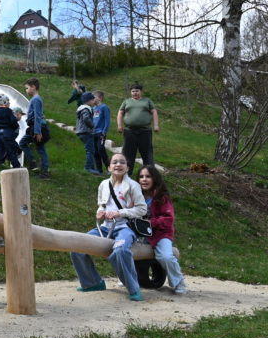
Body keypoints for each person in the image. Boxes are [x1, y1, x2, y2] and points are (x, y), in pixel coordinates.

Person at [69, 153, 147, 301]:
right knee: (76, 247)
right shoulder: (104, 184)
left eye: (122, 162)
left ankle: (133, 288)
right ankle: (92, 282)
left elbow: (142, 209)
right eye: (115, 162)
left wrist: (119, 213)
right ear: (109, 167)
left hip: (125, 227)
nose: (118, 165)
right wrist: (100, 212)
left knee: (121, 250)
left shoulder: (133, 186)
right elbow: (102, 204)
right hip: (105, 227)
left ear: (128, 167)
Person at [138, 165, 187, 294]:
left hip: (160, 234)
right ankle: (127, 278)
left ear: (154, 179)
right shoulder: (136, 196)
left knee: (165, 256)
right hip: (141, 234)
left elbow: (168, 219)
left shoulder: (162, 197)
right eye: (141, 176)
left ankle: (178, 281)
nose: (144, 179)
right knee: (126, 249)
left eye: (148, 176)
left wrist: (150, 223)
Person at [117, 83, 159, 176]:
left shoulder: (147, 101)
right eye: (133, 91)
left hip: (145, 131)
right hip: (129, 131)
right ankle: (126, 175)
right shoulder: (126, 101)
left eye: (137, 91)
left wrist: (156, 125)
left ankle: (149, 175)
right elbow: (120, 113)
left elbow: (154, 112)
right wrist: (119, 125)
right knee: (128, 154)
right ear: (130, 92)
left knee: (147, 154)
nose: (135, 93)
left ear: (141, 92)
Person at [20, 77, 49, 179]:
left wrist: (38, 131)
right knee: (23, 143)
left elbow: (37, 116)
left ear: (33, 87)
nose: (26, 90)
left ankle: (45, 172)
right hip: (34, 127)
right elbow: (38, 114)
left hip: (37, 129)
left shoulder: (36, 99)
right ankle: (32, 163)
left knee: (41, 149)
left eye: (27, 88)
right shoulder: (35, 99)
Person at [0, 93, 21, 171]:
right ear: (5, 102)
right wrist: (13, 129)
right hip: (8, 134)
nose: (9, 103)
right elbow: (13, 122)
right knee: (11, 150)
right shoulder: (9, 112)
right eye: (8, 101)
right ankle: (17, 166)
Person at [75, 91, 99, 175]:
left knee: (91, 150)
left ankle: (92, 167)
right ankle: (88, 167)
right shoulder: (86, 108)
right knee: (90, 150)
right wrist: (92, 126)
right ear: (89, 100)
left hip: (82, 132)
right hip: (85, 131)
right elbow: (86, 118)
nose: (93, 101)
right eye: (93, 99)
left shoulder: (83, 108)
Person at [92, 90, 111, 174]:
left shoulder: (104, 107)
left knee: (101, 149)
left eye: (93, 97)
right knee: (95, 151)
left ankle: (109, 168)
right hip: (93, 133)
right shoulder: (93, 108)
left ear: (100, 98)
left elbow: (107, 120)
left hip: (101, 132)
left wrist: (104, 131)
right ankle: (99, 170)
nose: (92, 99)